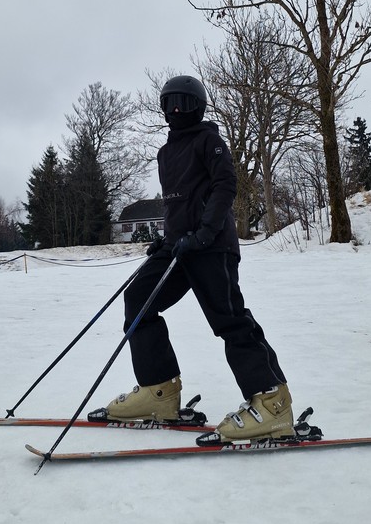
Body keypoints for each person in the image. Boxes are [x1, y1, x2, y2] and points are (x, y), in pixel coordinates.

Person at [98, 74, 293, 444]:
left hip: (211, 245)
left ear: (198, 107)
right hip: (179, 247)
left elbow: (225, 185)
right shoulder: (165, 153)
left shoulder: (209, 140)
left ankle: (272, 403)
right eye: (169, 102)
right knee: (139, 300)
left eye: (183, 103)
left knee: (229, 319)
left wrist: (205, 231)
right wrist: (168, 239)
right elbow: (178, 204)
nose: (175, 110)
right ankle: (158, 391)